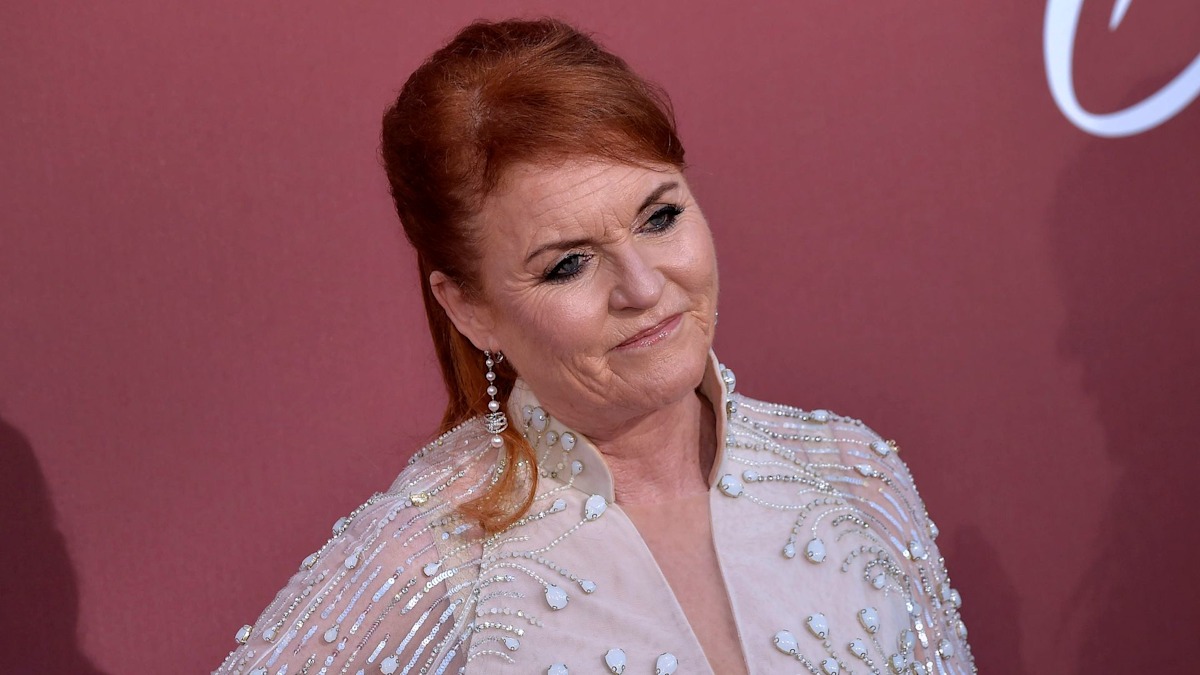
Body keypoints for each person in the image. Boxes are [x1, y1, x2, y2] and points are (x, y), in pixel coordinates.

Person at [214, 18, 974, 675]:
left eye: (660, 217)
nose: (642, 286)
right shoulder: (436, 552)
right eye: (568, 264)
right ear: (470, 309)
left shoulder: (855, 477)